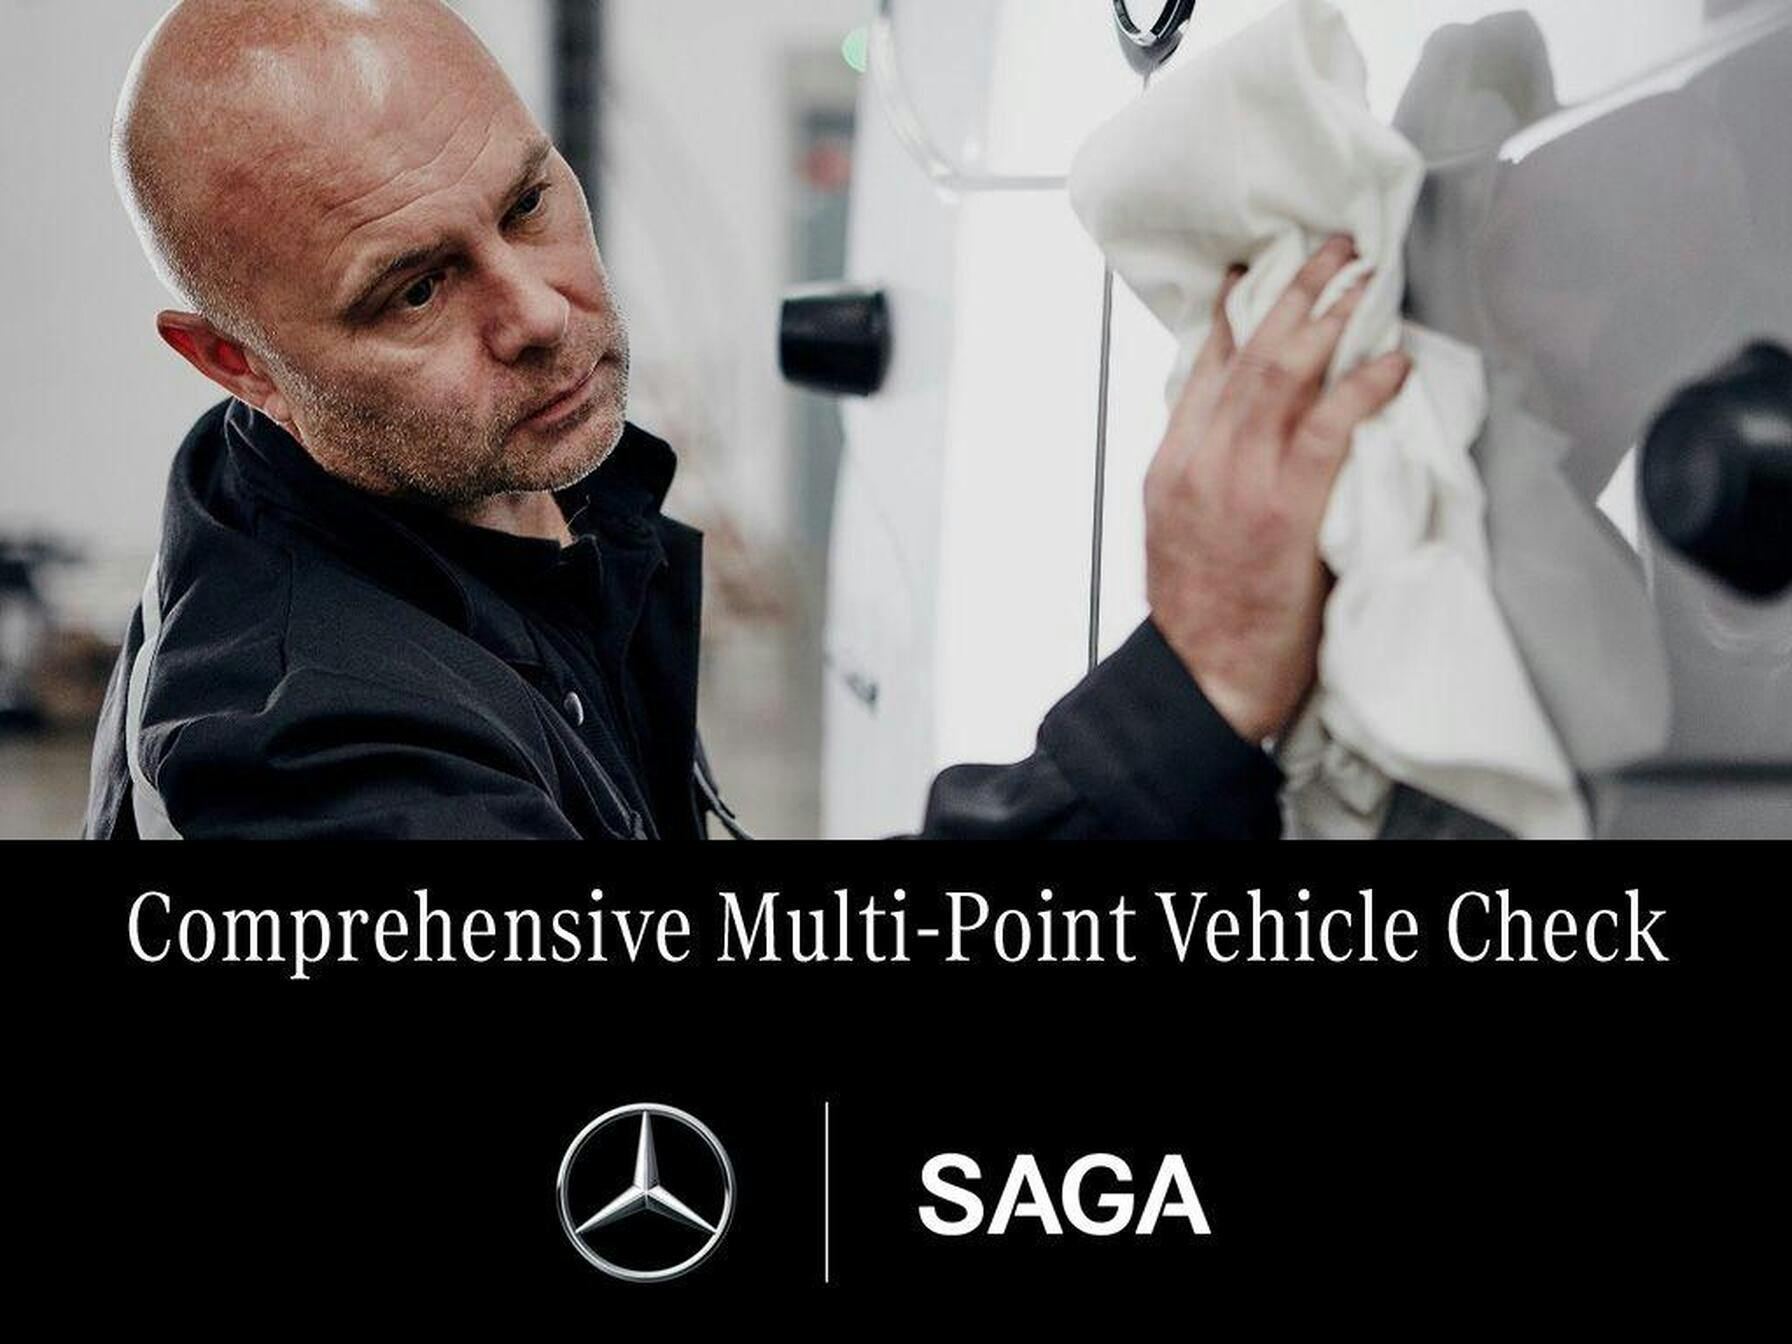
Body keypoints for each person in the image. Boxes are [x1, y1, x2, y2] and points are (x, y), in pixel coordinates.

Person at [85, 0, 1410, 840]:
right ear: (237, 363)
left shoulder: (491, 498)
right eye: (417, 289)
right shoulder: (311, 760)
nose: (537, 312)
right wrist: (1191, 690)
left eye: (529, 202)